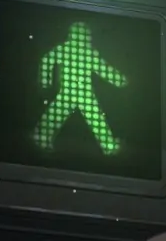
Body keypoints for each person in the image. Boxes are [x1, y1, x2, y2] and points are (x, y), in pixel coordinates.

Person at [33, 22, 127, 155]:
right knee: (94, 118)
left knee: (59, 115)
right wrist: (119, 80)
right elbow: (103, 69)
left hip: (74, 91)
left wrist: (45, 81)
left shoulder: (70, 49)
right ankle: (109, 146)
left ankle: (42, 138)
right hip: (79, 91)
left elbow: (102, 69)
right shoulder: (81, 51)